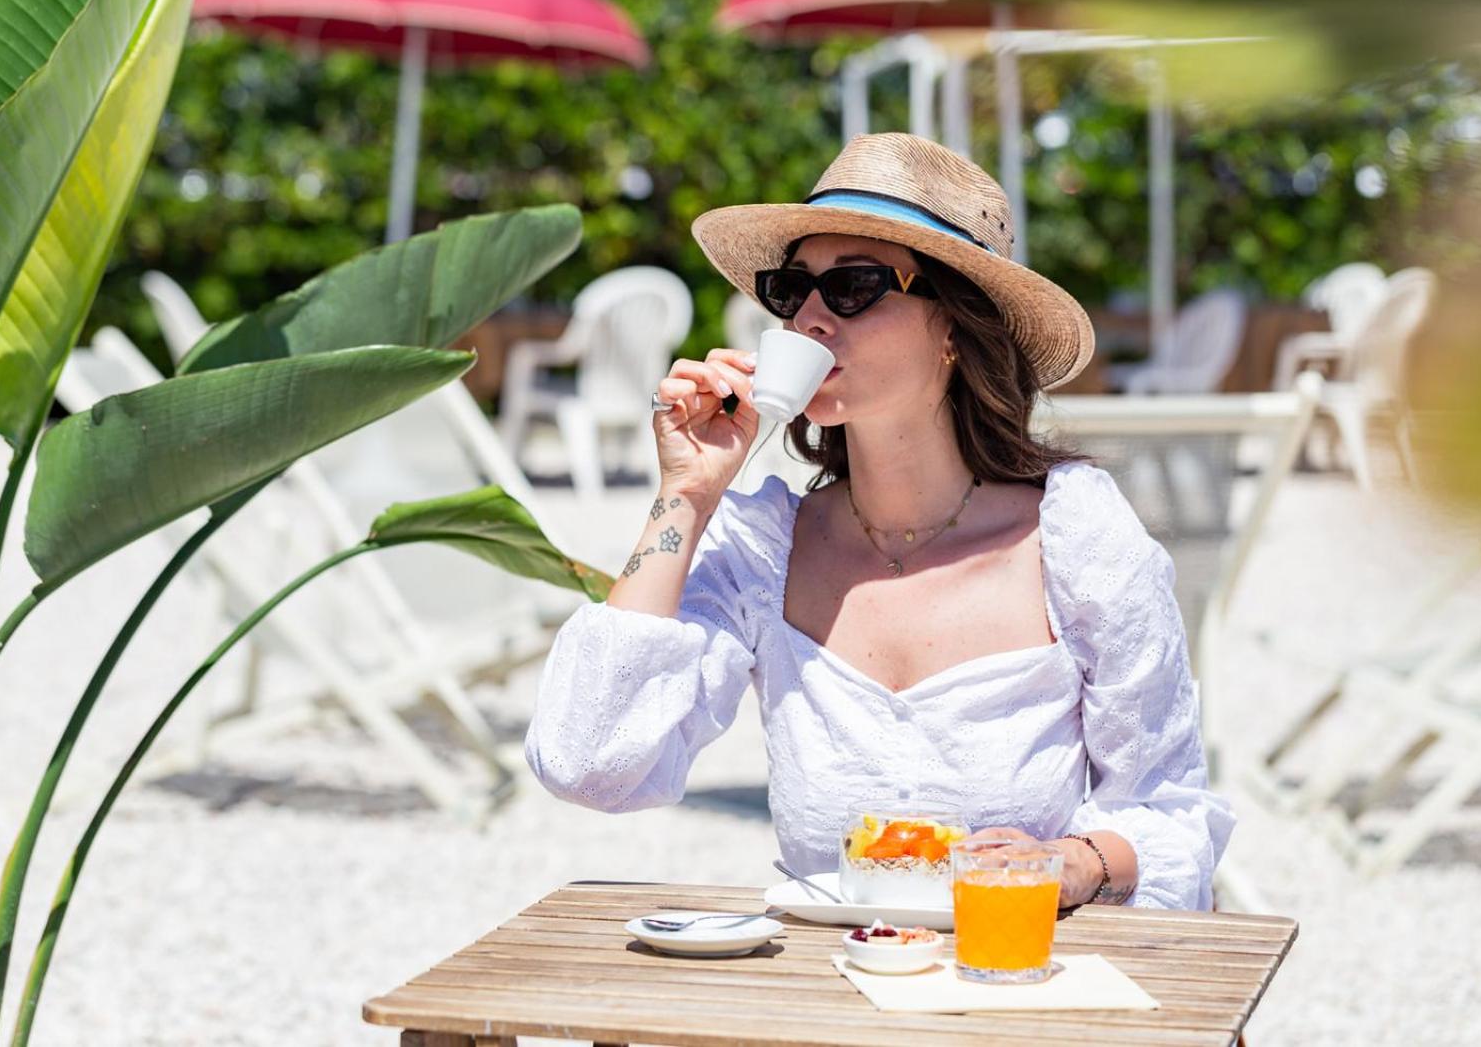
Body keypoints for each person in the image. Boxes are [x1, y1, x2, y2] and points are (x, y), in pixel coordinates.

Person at [525, 133, 1234, 910]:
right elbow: (587, 760)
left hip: (1014, 982)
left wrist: (1075, 861)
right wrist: (685, 495)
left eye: (856, 285)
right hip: (821, 994)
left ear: (956, 330)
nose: (812, 319)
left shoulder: (1072, 536)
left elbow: (1171, 814)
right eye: (793, 289)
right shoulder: (768, 549)